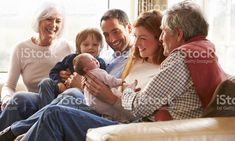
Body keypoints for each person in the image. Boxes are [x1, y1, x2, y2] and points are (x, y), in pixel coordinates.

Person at [19, 9, 168, 141]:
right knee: (31, 99)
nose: (137, 43)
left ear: (160, 38)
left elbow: (138, 112)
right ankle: (27, 131)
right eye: (136, 37)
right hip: (102, 106)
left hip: (119, 120)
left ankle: (23, 131)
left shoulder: (161, 72)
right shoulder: (135, 61)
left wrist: (109, 96)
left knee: (58, 109)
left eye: (143, 38)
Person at [0, 9, 134, 140]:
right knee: (20, 99)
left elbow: (114, 90)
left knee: (71, 94)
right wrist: (64, 77)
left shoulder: (134, 58)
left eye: (116, 31)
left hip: (92, 101)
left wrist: (81, 85)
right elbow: (71, 65)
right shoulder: (106, 54)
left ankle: (21, 129)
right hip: (68, 95)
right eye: (106, 35)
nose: (111, 39)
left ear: (129, 28)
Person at [0, 3, 74, 131]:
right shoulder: (21, 48)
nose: (54, 25)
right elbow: (9, 86)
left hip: (58, 99)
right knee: (17, 100)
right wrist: (7, 98)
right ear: (38, 21)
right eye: (49, 19)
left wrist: (69, 77)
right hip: (32, 101)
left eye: (58, 21)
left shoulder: (68, 47)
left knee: (20, 98)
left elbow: (79, 80)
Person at [38, 28, 106, 108]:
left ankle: (49, 113)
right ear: (79, 47)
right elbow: (54, 71)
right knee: (45, 82)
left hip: (80, 95)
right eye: (86, 44)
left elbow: (101, 81)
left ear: (100, 47)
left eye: (95, 45)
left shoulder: (99, 63)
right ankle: (45, 112)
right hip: (61, 89)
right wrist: (59, 83)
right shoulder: (71, 58)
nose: (90, 47)